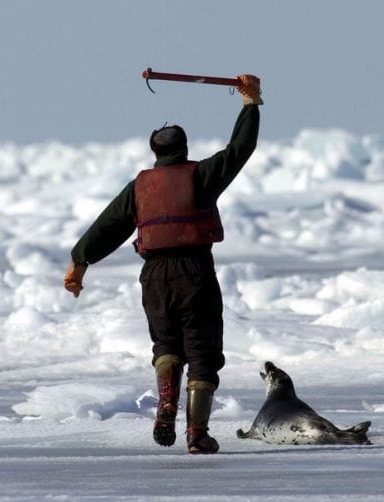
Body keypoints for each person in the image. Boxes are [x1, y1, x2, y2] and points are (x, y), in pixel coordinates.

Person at [63, 74, 262, 454]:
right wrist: (250, 103)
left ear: (154, 152)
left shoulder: (140, 186)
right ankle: (197, 434)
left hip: (154, 276)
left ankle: (166, 402)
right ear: (184, 149)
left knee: (167, 345)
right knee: (202, 353)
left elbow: (108, 226)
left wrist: (80, 261)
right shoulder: (201, 176)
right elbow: (240, 149)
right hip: (194, 272)